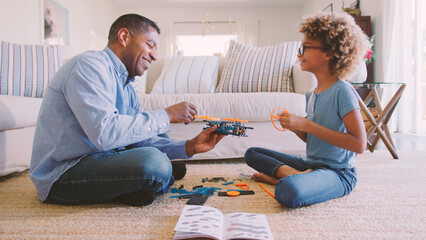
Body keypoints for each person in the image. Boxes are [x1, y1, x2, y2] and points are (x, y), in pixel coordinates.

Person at [30, 14, 225, 207]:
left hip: (101, 159)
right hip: (63, 174)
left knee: (155, 142)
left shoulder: (127, 88)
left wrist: (188, 146)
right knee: (155, 162)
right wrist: (167, 115)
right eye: (150, 45)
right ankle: (154, 179)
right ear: (124, 37)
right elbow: (105, 134)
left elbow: (138, 140)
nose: (155, 56)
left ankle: (147, 182)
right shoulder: (89, 65)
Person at [244, 12, 369, 208]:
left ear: (328, 53)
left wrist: (308, 125)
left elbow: (359, 145)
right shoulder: (312, 93)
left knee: (288, 192)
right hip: (311, 166)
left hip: (339, 173)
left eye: (305, 48)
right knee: (252, 153)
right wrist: (297, 128)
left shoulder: (343, 91)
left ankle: (286, 180)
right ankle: (295, 176)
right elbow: (314, 139)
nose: (299, 54)